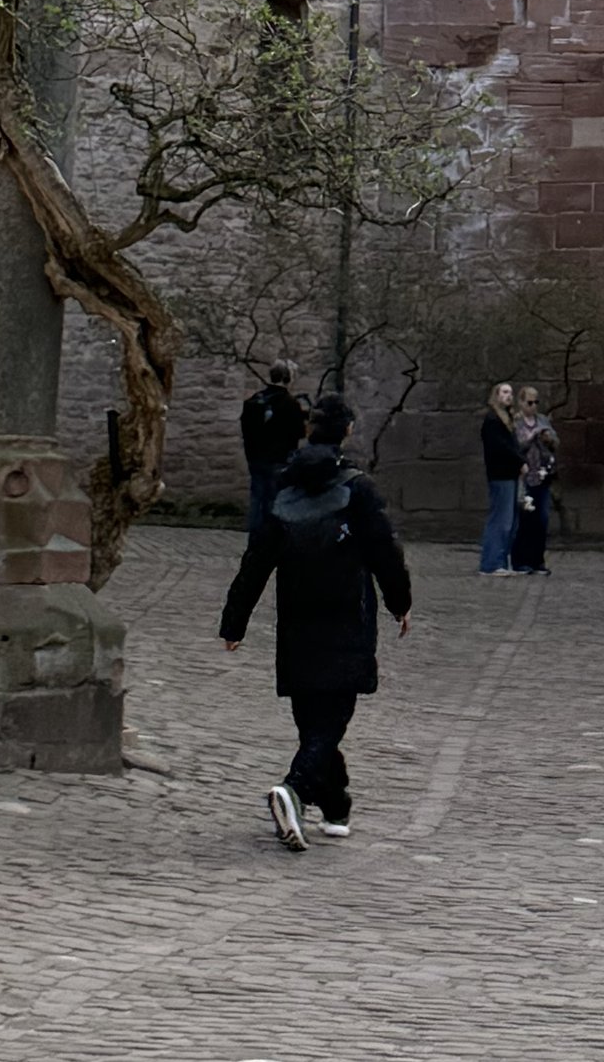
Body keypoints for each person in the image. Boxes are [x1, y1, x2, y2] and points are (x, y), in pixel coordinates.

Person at [220, 393, 412, 850]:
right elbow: (384, 550)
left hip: (298, 622)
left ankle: (336, 804)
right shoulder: (358, 490)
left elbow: (256, 560)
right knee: (331, 720)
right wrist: (399, 601)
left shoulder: (284, 492)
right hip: (346, 618)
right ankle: (295, 790)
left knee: (314, 722)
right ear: (347, 432)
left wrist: (235, 621)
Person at [239, 359, 306, 533]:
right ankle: (269, 540)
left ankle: (255, 537)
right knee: (273, 501)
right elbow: (299, 432)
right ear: (288, 378)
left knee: (257, 499)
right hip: (279, 459)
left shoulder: (254, 401)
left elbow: (246, 429)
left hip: (255, 458)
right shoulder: (290, 404)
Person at [512, 386, 558, 575]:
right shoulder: (516, 422)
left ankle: (538, 560)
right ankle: (521, 561)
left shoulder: (543, 420)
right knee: (524, 521)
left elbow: (556, 443)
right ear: (521, 403)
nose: (533, 406)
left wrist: (549, 439)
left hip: (542, 476)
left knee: (542, 520)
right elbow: (515, 447)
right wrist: (531, 438)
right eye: (530, 402)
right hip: (524, 478)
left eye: (536, 402)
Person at [479, 380, 522, 575]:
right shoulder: (493, 421)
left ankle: (501, 561)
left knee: (509, 521)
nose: (508, 395)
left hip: (509, 473)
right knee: (500, 520)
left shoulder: (506, 419)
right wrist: (520, 461)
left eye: (510, 392)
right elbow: (502, 448)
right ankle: (491, 563)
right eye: (504, 392)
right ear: (496, 395)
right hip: (501, 474)